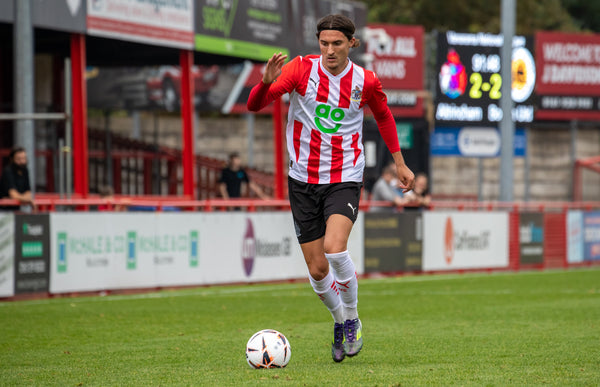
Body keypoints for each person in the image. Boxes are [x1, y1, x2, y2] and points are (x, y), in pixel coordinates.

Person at [247, 14, 415, 362]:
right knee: (318, 269)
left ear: (351, 44)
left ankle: (352, 317)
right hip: (303, 180)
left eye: (337, 43)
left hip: (345, 176)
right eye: (324, 43)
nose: (330, 50)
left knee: (335, 249)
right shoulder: (299, 70)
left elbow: (383, 116)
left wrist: (399, 162)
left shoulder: (365, 81)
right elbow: (255, 104)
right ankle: (339, 320)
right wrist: (264, 84)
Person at [0, 146, 33, 211]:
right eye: (18, 159)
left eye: (24, 158)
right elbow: (13, 194)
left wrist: (23, 198)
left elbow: (28, 193)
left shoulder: (25, 170)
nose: (22, 162)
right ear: (12, 159)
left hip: (16, 209)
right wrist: (28, 200)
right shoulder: (8, 171)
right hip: (3, 210)